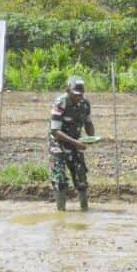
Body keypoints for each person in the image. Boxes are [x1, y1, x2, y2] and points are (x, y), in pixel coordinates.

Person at [49, 76, 95, 211]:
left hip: (75, 143)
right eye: (75, 95)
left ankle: (84, 208)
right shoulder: (60, 103)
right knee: (60, 180)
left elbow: (89, 125)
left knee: (81, 178)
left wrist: (92, 135)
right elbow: (55, 131)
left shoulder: (85, 104)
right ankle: (61, 211)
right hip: (59, 144)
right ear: (68, 91)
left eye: (81, 95)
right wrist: (76, 143)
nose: (78, 97)